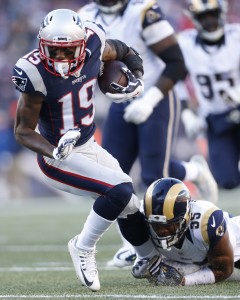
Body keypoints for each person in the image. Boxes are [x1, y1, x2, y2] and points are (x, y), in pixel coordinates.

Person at [11, 8, 164, 292]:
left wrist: (137, 80)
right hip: (58, 157)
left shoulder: (94, 43)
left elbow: (125, 51)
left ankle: (148, 260)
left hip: (88, 145)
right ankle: (83, 246)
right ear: (42, 46)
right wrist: (54, 150)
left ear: (83, 44)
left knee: (129, 203)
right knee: (119, 189)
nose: (60, 59)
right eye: (54, 51)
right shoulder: (32, 72)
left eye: (68, 51)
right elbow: (22, 131)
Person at [78, 0, 218, 267]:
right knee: (111, 178)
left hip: (158, 97)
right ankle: (133, 244)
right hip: (121, 103)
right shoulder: (85, 17)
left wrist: (149, 100)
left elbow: (176, 64)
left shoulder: (143, 11)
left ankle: (162, 240)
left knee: (155, 176)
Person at [178, 0, 240, 189]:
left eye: (213, 15)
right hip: (215, 119)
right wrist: (186, 112)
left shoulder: (236, 36)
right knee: (227, 181)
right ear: (195, 19)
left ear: (221, 14)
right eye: (204, 17)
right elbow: (175, 78)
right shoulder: (185, 43)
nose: (210, 22)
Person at [135, 177, 240, 286]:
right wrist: (141, 258)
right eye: (156, 225)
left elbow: (224, 270)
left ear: (187, 216)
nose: (162, 231)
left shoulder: (206, 221)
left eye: (169, 224)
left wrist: (184, 281)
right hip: (199, 258)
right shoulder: (142, 214)